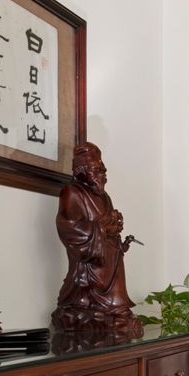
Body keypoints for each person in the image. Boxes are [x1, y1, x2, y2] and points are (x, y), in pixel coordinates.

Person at [52, 142, 143, 337]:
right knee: (109, 309)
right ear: (82, 170)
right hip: (91, 264)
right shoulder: (71, 192)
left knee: (119, 303)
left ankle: (117, 310)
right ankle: (107, 312)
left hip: (110, 256)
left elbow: (109, 224)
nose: (103, 174)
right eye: (97, 169)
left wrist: (115, 226)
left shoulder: (105, 197)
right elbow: (68, 226)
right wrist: (102, 227)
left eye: (103, 170)